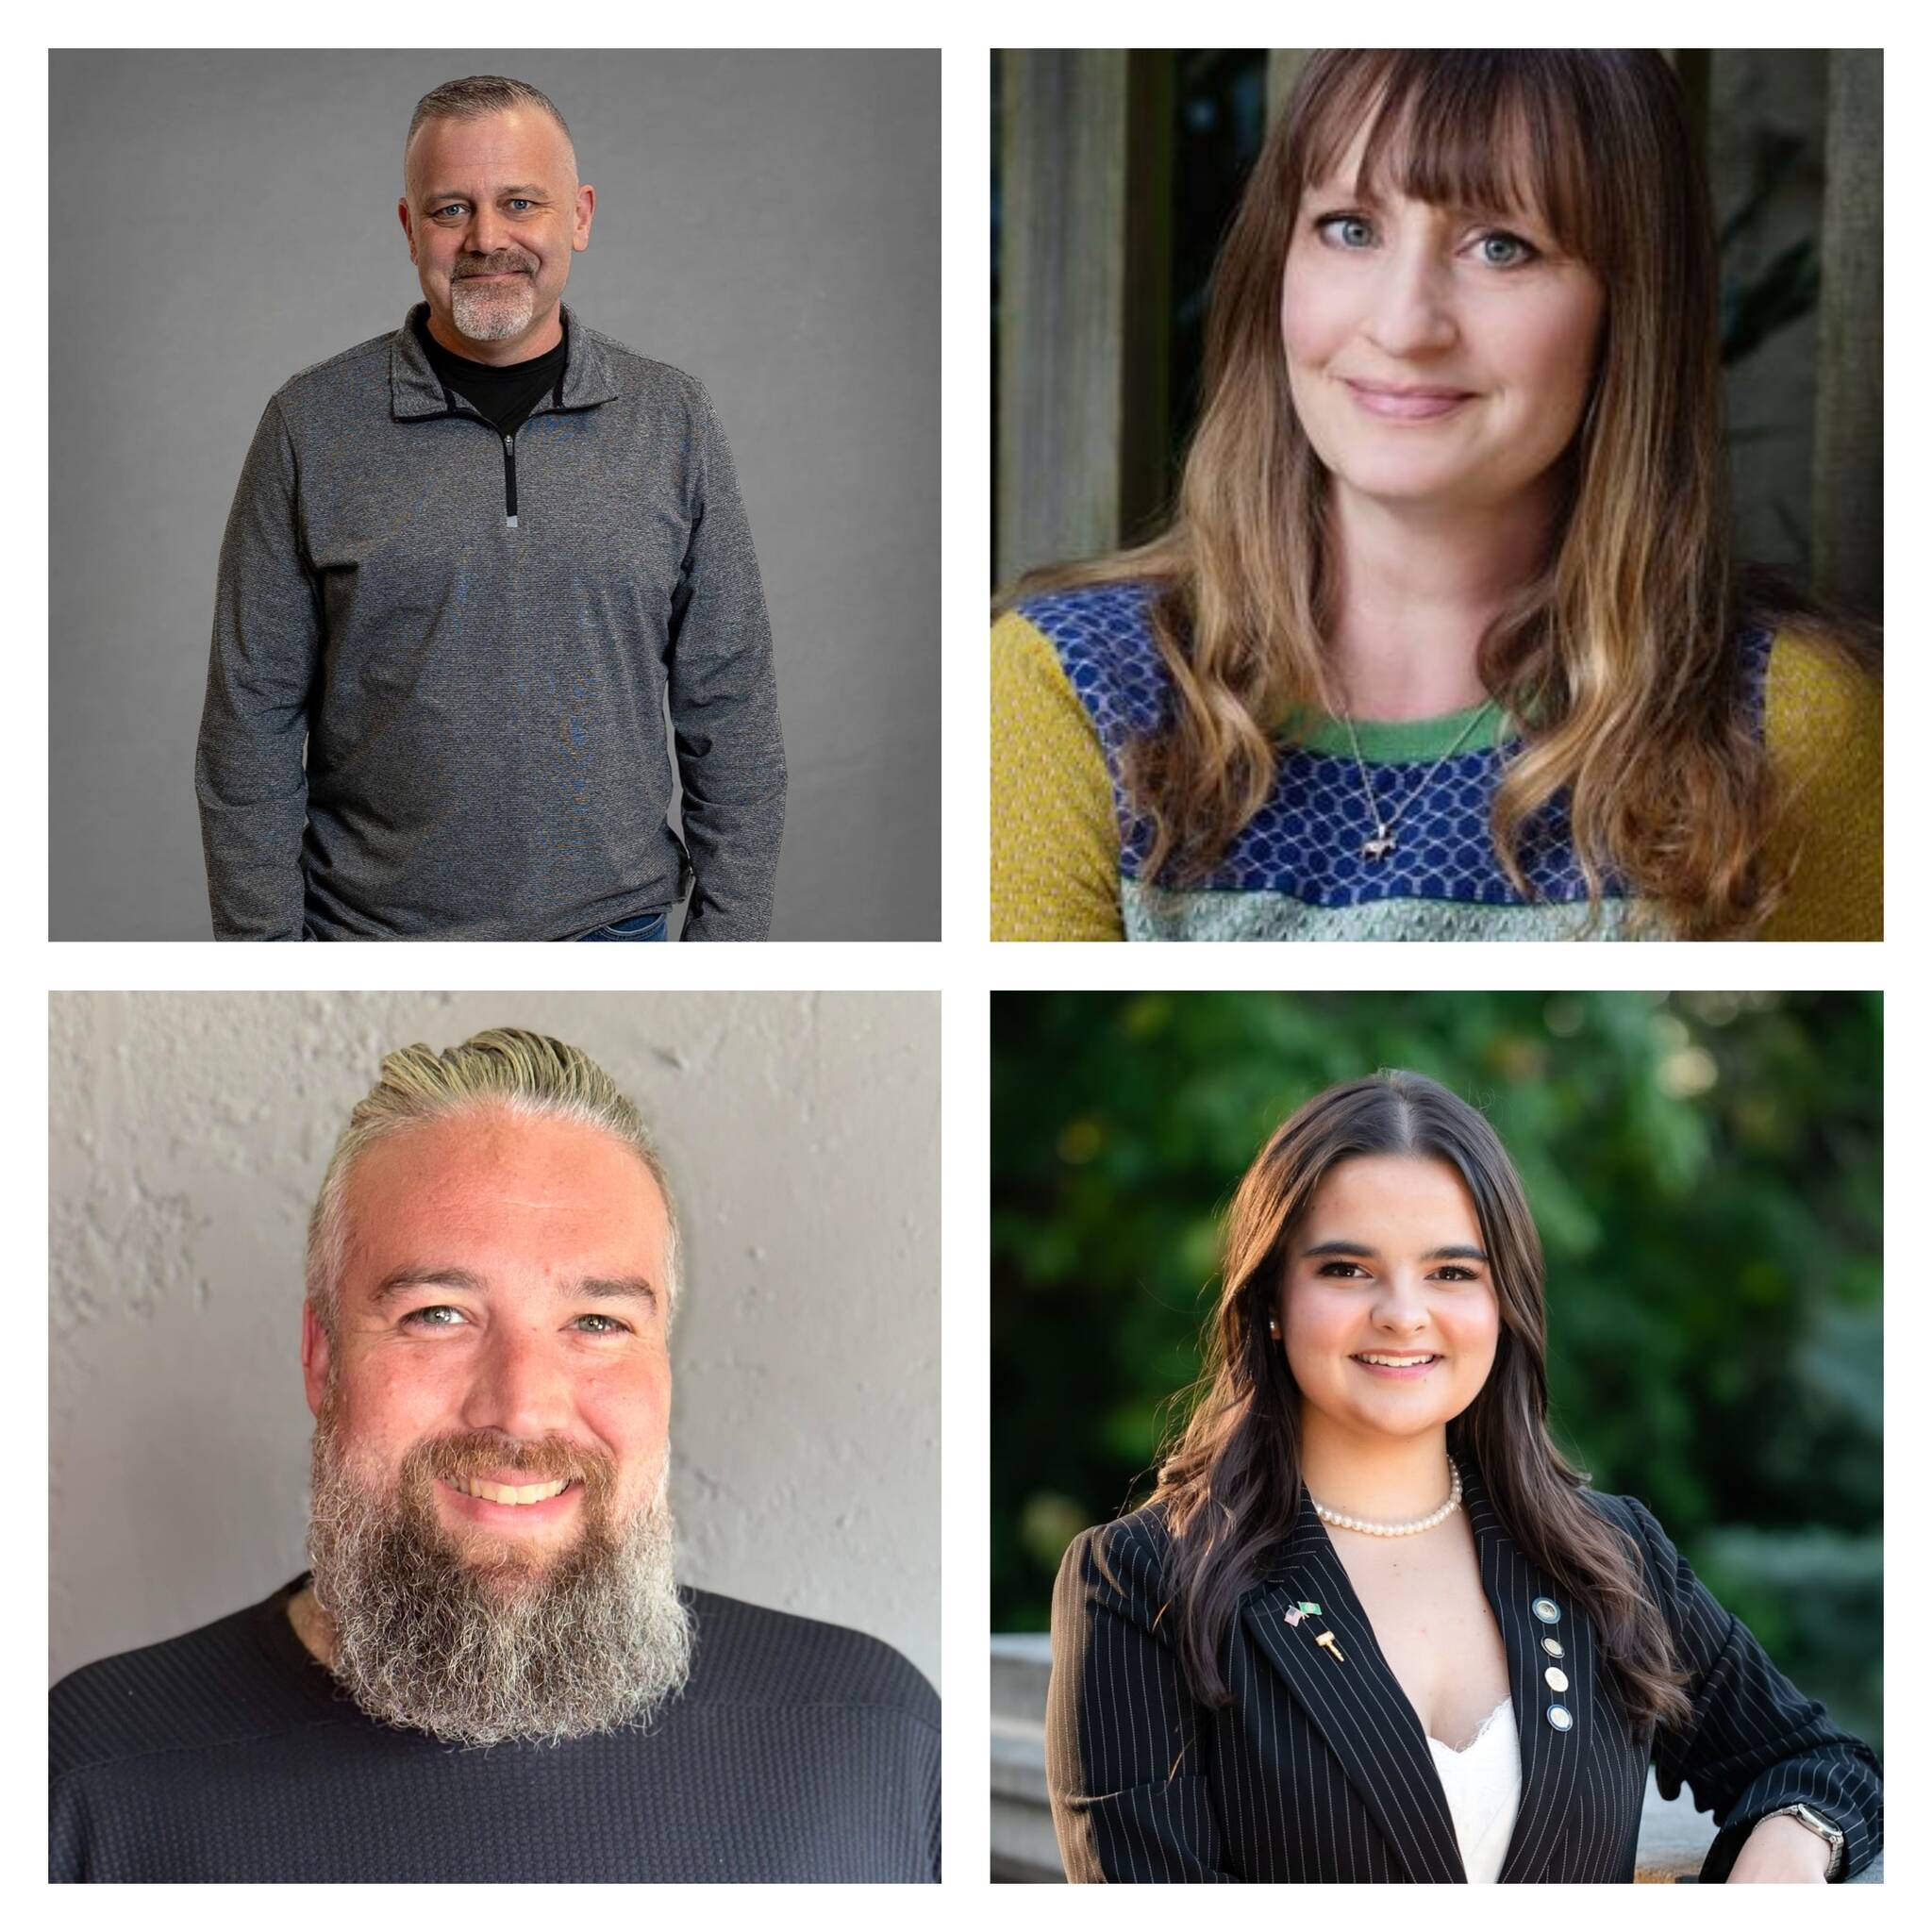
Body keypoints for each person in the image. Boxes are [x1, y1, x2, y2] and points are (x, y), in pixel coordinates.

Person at [992, 51, 1880, 941]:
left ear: (1629, 310)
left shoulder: (1789, 727)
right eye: (1349, 228)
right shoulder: (1067, 696)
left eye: (1502, 246)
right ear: (1279, 267)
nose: (1403, 325)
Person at [51, 1029, 938, 1881]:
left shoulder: (874, 1747)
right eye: (437, 1314)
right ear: (324, 1359)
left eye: (598, 1323)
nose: (521, 1407)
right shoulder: (84, 1778)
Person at [1046, 1072, 1881, 1883]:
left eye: (1452, 1272)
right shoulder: (1142, 1581)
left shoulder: (1606, 1556)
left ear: (1502, 1302)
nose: (1404, 1313)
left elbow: (1822, 1765)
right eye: (1346, 1269)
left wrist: (1790, 1850)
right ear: (1271, 1299)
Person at [196, 76, 786, 941]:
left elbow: (731, 708)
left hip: (615, 936)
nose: (487, 238)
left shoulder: (673, 420)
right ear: (410, 230)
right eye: (450, 209)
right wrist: (266, 969)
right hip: (363, 938)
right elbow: (248, 723)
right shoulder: (309, 427)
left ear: (578, 217)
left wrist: (725, 957)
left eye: (520, 202)